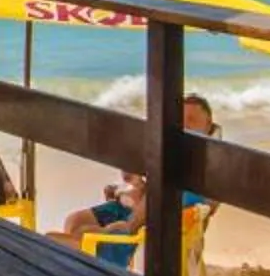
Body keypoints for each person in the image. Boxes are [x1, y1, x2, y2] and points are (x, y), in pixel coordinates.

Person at [53, 94, 218, 262]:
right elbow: (132, 177)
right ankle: (80, 256)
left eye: (192, 120)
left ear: (208, 125)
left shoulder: (210, 162)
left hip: (146, 226)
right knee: (75, 221)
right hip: (137, 209)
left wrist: (132, 211)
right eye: (180, 120)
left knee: (79, 235)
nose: (185, 125)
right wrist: (132, 183)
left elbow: (210, 204)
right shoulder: (169, 147)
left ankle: (86, 258)